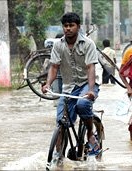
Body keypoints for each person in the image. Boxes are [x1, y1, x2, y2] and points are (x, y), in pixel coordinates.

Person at [41, 12, 100, 154]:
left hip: (86, 84)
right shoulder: (58, 45)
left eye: (71, 25)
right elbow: (54, 66)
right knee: (61, 121)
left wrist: (91, 90)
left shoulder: (88, 44)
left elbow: (90, 67)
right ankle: (58, 155)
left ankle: (90, 133)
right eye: (65, 26)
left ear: (78, 27)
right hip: (68, 88)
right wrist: (48, 84)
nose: (68, 28)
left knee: (83, 104)